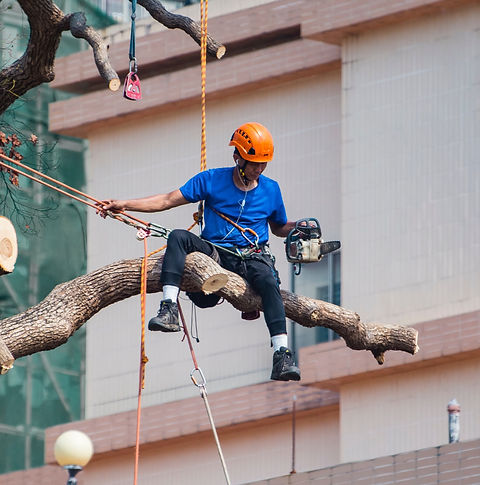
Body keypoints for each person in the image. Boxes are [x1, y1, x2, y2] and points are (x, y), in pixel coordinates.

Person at [100, 122, 301, 381]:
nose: (259, 169)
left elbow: (278, 227)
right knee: (178, 237)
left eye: (263, 164)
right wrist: (124, 204)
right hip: (215, 253)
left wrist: (299, 227)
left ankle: (281, 354)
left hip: (252, 255)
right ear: (237, 157)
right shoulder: (212, 180)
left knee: (268, 282)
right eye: (253, 163)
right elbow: (166, 200)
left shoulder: (271, 189)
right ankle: (168, 307)